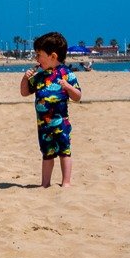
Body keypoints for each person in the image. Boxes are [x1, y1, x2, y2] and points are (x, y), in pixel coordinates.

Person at [21, 32, 82, 187]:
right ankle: (45, 184)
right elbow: (25, 92)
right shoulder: (39, 75)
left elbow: (78, 96)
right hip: (43, 125)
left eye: (39, 54)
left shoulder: (67, 74)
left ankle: (66, 183)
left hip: (61, 123)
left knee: (64, 152)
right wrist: (25, 78)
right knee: (47, 154)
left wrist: (68, 87)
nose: (36, 58)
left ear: (52, 56)